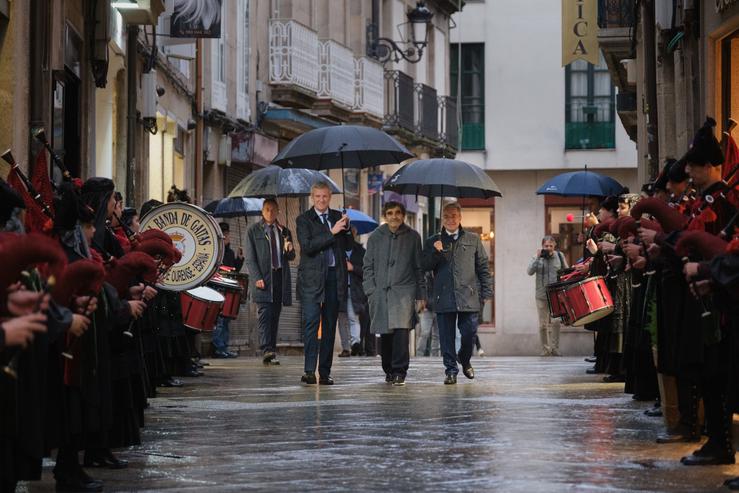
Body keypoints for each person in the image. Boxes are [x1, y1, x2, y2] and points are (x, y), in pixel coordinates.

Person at [422, 202, 493, 384]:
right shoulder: (433, 241)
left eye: (454, 216)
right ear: (442, 218)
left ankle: (465, 358)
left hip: (467, 295)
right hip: (443, 295)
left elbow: (483, 266)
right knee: (446, 337)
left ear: (460, 217)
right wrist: (436, 252)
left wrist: (486, 290)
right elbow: (424, 265)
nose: (450, 219)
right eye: (446, 216)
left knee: (469, 332)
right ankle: (451, 370)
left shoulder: (472, 239)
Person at [363, 201, 425, 385]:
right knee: (386, 334)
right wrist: (371, 291)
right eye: (390, 213)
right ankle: (388, 369)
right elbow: (368, 266)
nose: (394, 216)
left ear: (403, 215)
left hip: (404, 292)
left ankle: (400, 371)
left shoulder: (413, 237)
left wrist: (421, 294)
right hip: (380, 292)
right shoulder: (375, 237)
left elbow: (418, 267)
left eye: (398, 213)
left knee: (401, 333)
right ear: (385, 216)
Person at [295, 182, 351, 385]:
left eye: (325, 197)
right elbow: (308, 247)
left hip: (334, 277)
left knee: (329, 326)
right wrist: (332, 232)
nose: (321, 200)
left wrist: (347, 228)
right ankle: (309, 371)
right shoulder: (303, 220)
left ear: (330, 197)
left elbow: (348, 246)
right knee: (311, 324)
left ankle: (325, 372)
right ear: (312, 197)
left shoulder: (338, 217)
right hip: (311, 280)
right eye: (317, 196)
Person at [244, 199, 295, 365]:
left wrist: (289, 248)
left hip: (279, 278)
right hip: (263, 280)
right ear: (262, 211)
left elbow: (291, 257)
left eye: (273, 210)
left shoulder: (284, 231)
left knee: (275, 315)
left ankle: (271, 350)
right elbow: (250, 259)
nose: (270, 213)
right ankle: (266, 349)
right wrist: (257, 277)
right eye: (267, 209)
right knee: (265, 314)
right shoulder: (253, 231)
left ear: (278, 211)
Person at [527, 235, 568, 356]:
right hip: (541, 295)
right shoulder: (537, 257)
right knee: (543, 324)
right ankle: (545, 349)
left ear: (554, 246)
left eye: (551, 245)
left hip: (556, 294)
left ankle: (555, 348)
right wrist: (537, 257)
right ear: (542, 246)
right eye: (546, 246)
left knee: (556, 322)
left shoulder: (560, 256)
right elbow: (529, 271)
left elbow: (567, 272)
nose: (549, 248)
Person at [211, 222, 244, 358]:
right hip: (217, 287)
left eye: (228, 233)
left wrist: (240, 259)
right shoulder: (215, 251)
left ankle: (224, 346)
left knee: (226, 320)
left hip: (228, 288)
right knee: (219, 320)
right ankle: (218, 348)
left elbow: (234, 269)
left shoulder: (230, 252)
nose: (227, 236)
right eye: (224, 234)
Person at [338, 227, 368, 357]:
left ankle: (355, 344)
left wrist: (352, 268)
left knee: (353, 317)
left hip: (354, 289)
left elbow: (366, 271)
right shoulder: (338, 248)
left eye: (352, 233)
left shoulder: (361, 251)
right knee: (341, 318)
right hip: (339, 288)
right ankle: (346, 347)